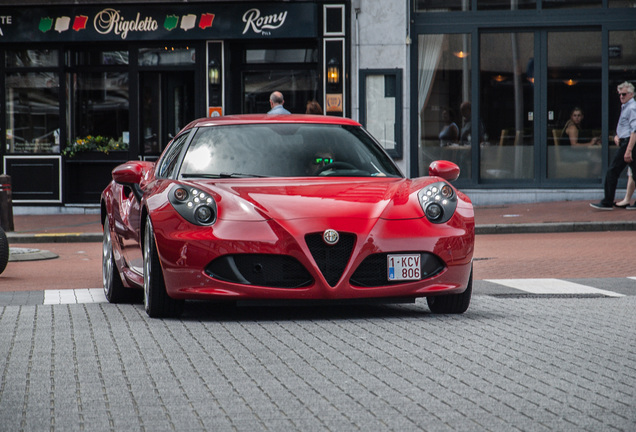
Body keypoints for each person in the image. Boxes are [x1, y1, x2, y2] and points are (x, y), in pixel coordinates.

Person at [590, 81, 636, 210]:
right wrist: (618, 136)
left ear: (631, 94)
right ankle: (609, 201)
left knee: (612, 171)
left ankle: (607, 201)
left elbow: (634, 130)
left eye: (624, 94)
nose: (621, 96)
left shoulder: (632, 108)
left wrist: (628, 149)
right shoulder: (627, 106)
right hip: (626, 141)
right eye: (620, 94)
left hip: (628, 143)